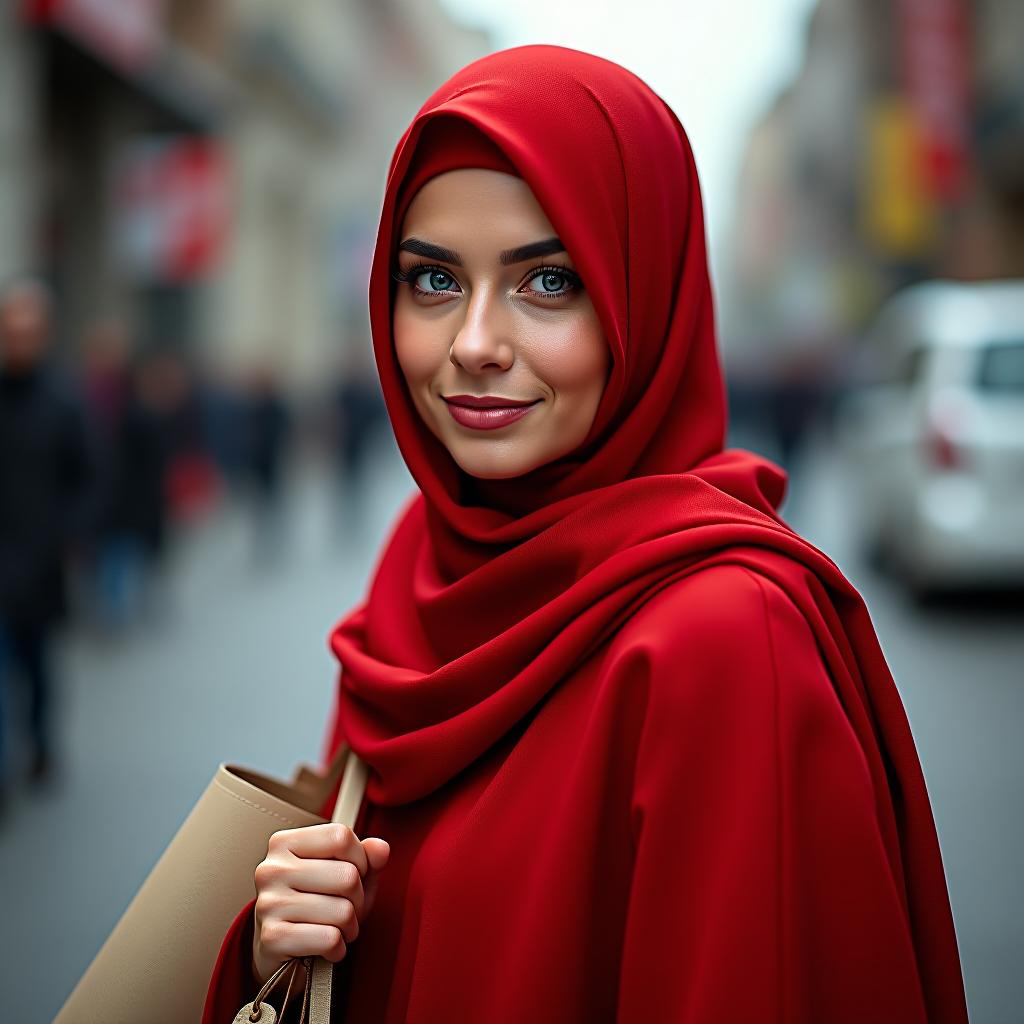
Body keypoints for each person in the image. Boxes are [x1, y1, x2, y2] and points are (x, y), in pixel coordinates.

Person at [202, 46, 968, 1023]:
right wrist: (277, 940)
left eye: (548, 281)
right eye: (432, 280)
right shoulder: (423, 569)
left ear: (641, 299)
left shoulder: (726, 639)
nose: (474, 342)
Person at [0, 278, 100, 804]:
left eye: (28, 331)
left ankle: (39, 743)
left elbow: (87, 477)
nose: (19, 341)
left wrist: (69, 538)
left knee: (38, 667)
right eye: (11, 331)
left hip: (40, 564)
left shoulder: (63, 404)